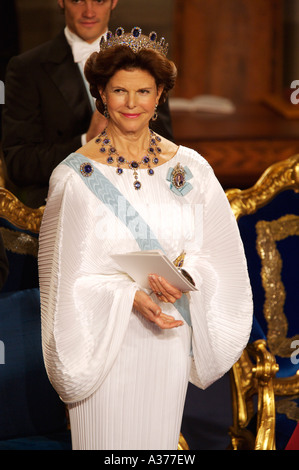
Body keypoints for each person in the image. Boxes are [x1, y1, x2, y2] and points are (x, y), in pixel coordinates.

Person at [38, 27, 253, 450]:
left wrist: (186, 275)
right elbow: (65, 281)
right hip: (104, 343)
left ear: (160, 96)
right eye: (120, 91)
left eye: (143, 91)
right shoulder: (73, 177)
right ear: (101, 93)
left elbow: (221, 255)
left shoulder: (191, 170)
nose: (131, 104)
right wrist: (128, 296)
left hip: (167, 335)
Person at [1, 0, 173, 209]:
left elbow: (165, 143)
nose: (89, 11)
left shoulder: (144, 63)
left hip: (140, 196)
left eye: (99, 0)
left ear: (113, 2)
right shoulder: (27, 69)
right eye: (78, 0)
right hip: (62, 202)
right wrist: (87, 141)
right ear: (61, 1)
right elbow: (19, 164)